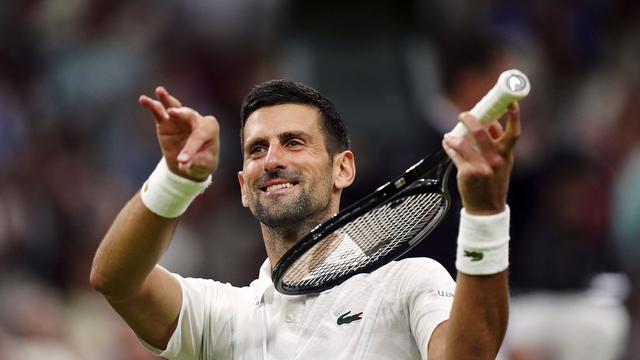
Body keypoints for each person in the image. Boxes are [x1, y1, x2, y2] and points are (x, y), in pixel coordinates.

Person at [90, 79, 521, 359]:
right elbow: (116, 278)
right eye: (257, 149)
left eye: (294, 143)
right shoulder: (225, 316)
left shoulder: (409, 283)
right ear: (243, 185)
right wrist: (176, 181)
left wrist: (485, 213)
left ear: (343, 169)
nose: (273, 160)